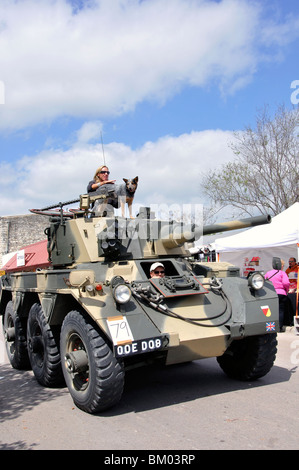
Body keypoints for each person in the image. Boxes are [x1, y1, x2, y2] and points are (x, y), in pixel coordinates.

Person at [265, 259, 290, 332]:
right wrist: (286, 290)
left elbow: (264, 282)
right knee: (280, 311)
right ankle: (279, 327)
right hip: (281, 293)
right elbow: (286, 283)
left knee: (270, 312)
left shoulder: (268, 273)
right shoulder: (282, 273)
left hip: (271, 294)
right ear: (280, 265)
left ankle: (270, 328)